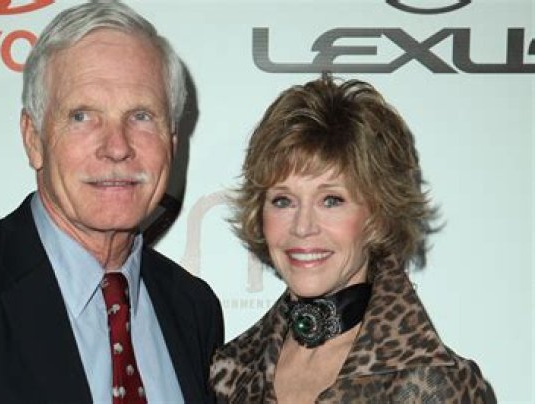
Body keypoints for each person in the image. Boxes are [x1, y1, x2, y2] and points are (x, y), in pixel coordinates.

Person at [0, 2, 223, 403]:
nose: (117, 147)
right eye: (82, 116)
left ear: (172, 143)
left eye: (141, 116)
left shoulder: (193, 307)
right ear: (33, 140)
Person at [209, 74, 495, 403]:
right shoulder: (229, 372)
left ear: (376, 214)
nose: (302, 227)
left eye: (331, 200)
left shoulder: (435, 384)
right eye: (283, 201)